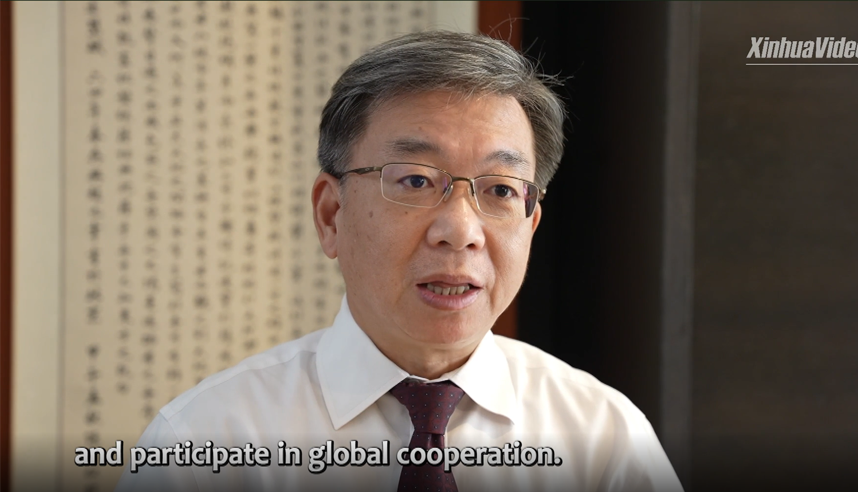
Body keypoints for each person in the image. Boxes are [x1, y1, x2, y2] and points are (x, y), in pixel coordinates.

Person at [116, 31, 683, 492]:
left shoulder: (605, 440)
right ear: (331, 214)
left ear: (531, 225)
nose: (461, 232)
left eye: (501, 190)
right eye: (415, 181)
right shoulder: (205, 441)